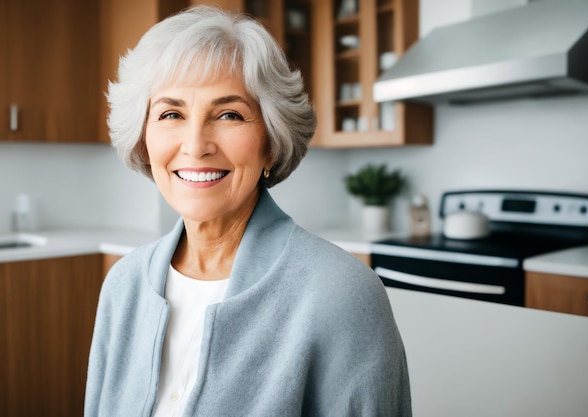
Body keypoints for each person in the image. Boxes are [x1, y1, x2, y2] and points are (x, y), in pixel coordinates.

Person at [85, 5, 411, 416]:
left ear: (271, 143)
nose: (196, 144)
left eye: (228, 114)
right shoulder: (123, 285)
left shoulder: (341, 294)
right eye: (171, 113)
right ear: (143, 140)